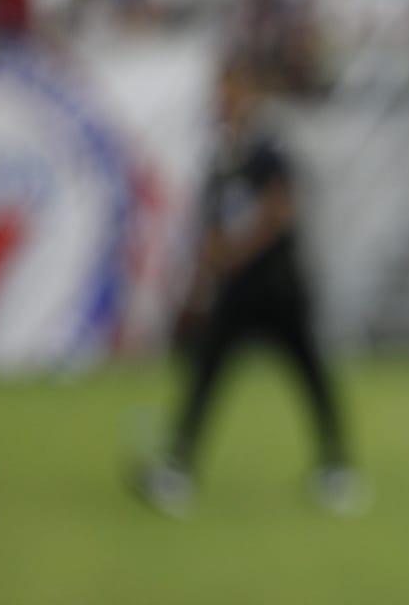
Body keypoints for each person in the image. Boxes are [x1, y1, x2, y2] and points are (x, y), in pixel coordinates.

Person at [133, 56, 362, 517]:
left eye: (231, 90)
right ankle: (178, 467)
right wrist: (203, 276)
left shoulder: (268, 149)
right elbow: (210, 228)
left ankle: (337, 469)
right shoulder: (222, 157)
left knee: (310, 375)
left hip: (278, 288)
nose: (223, 100)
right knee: (206, 374)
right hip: (236, 293)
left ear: (250, 94)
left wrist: (231, 255)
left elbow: (281, 212)